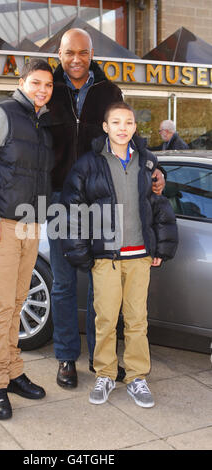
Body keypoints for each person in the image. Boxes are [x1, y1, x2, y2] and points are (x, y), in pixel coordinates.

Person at [47, 28, 166, 389]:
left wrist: (154, 166)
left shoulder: (109, 91)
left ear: (92, 52)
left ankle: (104, 362)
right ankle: (67, 357)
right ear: (60, 53)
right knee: (64, 283)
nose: (77, 60)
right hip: (58, 200)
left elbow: (128, 132)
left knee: (101, 287)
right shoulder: (47, 89)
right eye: (70, 53)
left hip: (102, 200)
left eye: (83, 53)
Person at [61, 101, 178, 407]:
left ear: (135, 128)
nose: (122, 128)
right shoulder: (89, 164)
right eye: (116, 122)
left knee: (138, 320)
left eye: (128, 123)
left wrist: (161, 247)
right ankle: (106, 374)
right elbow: (73, 209)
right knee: (106, 319)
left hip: (140, 257)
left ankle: (137, 378)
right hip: (106, 259)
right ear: (105, 127)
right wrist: (82, 253)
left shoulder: (147, 162)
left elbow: (159, 205)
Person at [0, 59, 54, 420]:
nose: (42, 90)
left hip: (29, 227)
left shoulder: (41, 123)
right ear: (22, 82)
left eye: (48, 85)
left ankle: (13, 372)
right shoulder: (3, 113)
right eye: (36, 83)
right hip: (1, 225)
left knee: (17, 304)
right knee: (2, 308)